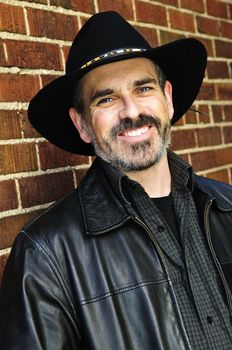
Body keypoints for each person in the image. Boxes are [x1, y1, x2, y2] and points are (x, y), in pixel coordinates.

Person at [0, 11, 231, 350]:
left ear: (167, 98)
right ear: (82, 124)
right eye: (106, 98)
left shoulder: (227, 207)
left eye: (144, 88)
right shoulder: (45, 257)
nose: (131, 111)